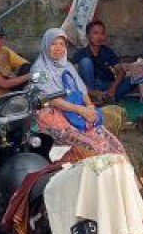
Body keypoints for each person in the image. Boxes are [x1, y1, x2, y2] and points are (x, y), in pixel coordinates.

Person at [31, 28, 125, 160]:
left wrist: (89, 105)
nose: (58, 48)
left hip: (75, 112)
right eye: (53, 44)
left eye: (61, 44)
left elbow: (81, 89)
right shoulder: (37, 70)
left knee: (112, 145)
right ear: (46, 45)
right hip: (53, 116)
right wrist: (81, 110)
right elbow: (51, 100)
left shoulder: (67, 65)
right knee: (91, 148)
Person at [73, 20, 133, 104]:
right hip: (88, 87)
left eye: (102, 33)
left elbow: (120, 72)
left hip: (106, 85)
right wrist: (91, 91)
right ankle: (95, 97)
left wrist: (112, 88)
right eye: (95, 33)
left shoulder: (108, 52)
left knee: (132, 79)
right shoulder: (80, 54)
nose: (99, 37)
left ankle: (104, 97)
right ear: (87, 36)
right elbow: (73, 78)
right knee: (85, 62)